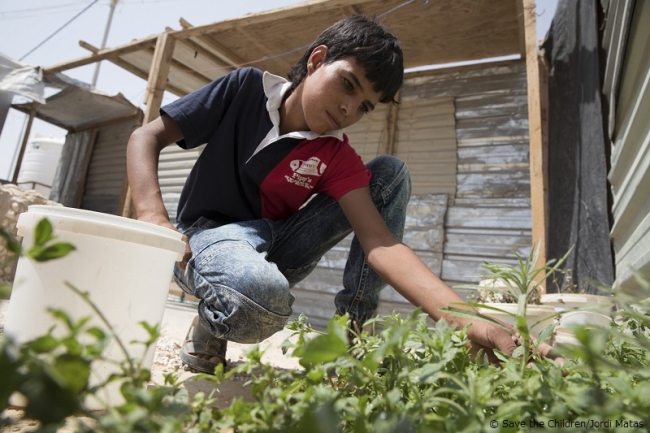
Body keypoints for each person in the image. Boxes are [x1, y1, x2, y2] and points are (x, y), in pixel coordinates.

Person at [127, 15, 554, 373]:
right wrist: (152, 217)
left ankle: (350, 342)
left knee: (389, 174)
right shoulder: (244, 89)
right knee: (255, 294)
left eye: (366, 105)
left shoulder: (334, 156)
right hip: (202, 239)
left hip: (271, 249)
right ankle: (211, 324)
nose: (351, 110)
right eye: (349, 85)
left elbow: (383, 244)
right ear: (317, 60)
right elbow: (146, 138)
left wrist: (472, 322)